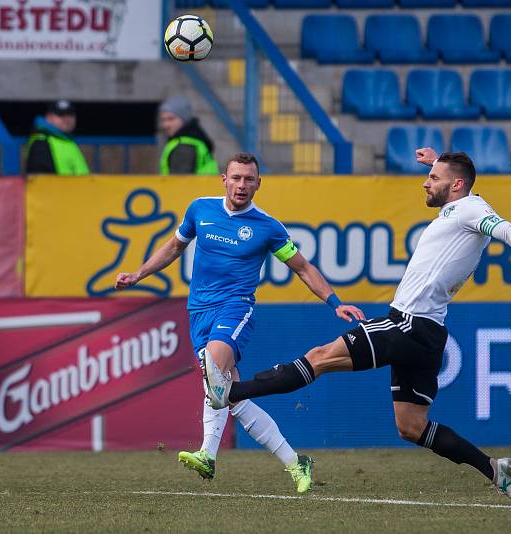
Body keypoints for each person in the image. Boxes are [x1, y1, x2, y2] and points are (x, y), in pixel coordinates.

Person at [202, 149, 511, 505]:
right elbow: (457, 180)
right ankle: (496, 470)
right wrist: (435, 160)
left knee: (319, 357)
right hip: (429, 334)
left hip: (407, 324)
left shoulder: (472, 209)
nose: (426, 182)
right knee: (412, 427)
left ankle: (229, 393)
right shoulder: (458, 208)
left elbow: (509, 230)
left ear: (457, 185)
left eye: (434, 178)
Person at [115, 152, 364, 493]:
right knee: (230, 396)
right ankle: (296, 462)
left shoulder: (267, 226)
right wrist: (139, 273)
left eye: (249, 179)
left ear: (258, 184)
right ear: (224, 180)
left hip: (236, 308)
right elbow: (174, 247)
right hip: (198, 311)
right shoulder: (200, 209)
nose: (242, 185)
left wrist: (335, 302)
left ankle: (207, 454)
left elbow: (303, 268)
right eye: (236, 178)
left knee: (213, 370)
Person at [25, 99, 90, 175]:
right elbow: (41, 181)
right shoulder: (41, 142)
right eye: (60, 114)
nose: (67, 118)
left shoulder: (68, 142)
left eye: (70, 114)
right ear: (48, 118)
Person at [158, 96, 219, 175]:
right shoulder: (196, 140)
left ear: (184, 119)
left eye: (171, 119)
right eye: (163, 120)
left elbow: (179, 183)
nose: (166, 125)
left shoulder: (184, 145)